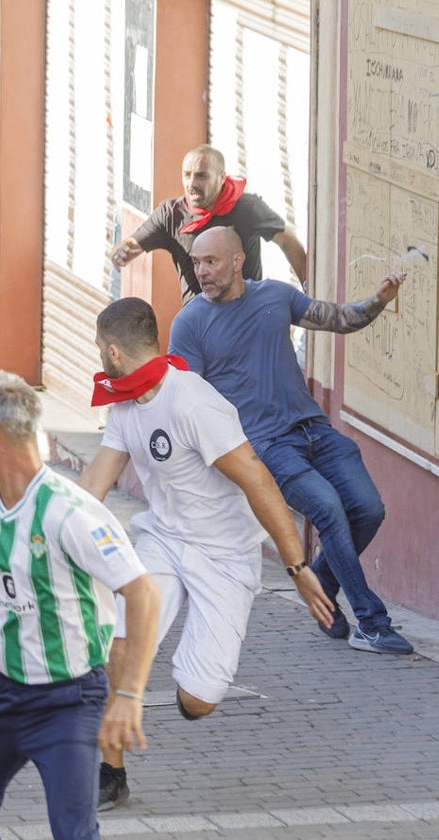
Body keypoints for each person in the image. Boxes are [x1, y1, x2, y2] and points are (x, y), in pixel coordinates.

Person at [79, 298, 335, 810]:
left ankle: (192, 678)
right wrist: (40, 539)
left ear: (112, 350)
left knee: (198, 702)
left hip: (225, 555)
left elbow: (259, 480)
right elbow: (92, 488)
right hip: (163, 542)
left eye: (98, 350)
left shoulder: (192, 401)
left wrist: (298, 567)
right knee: (120, 648)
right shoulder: (125, 405)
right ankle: (111, 772)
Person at [0, 371, 161, 840]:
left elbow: (143, 594)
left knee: (74, 834)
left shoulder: (69, 511)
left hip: (67, 701)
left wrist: (130, 695)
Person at [169, 227, 413, 655]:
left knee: (369, 509)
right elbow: (186, 403)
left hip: (313, 428)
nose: (202, 272)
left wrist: (377, 302)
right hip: (266, 446)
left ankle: (320, 585)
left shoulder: (276, 296)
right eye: (196, 263)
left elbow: (338, 319)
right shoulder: (189, 324)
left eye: (211, 262)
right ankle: (372, 623)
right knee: (328, 510)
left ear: (238, 260)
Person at [111, 144, 308, 303]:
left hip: (246, 318)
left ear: (222, 177)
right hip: (199, 325)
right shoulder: (171, 214)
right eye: (187, 175)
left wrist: (308, 288)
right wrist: (122, 252)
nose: (192, 184)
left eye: (201, 176)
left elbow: (287, 240)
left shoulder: (248, 208)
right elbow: (132, 244)